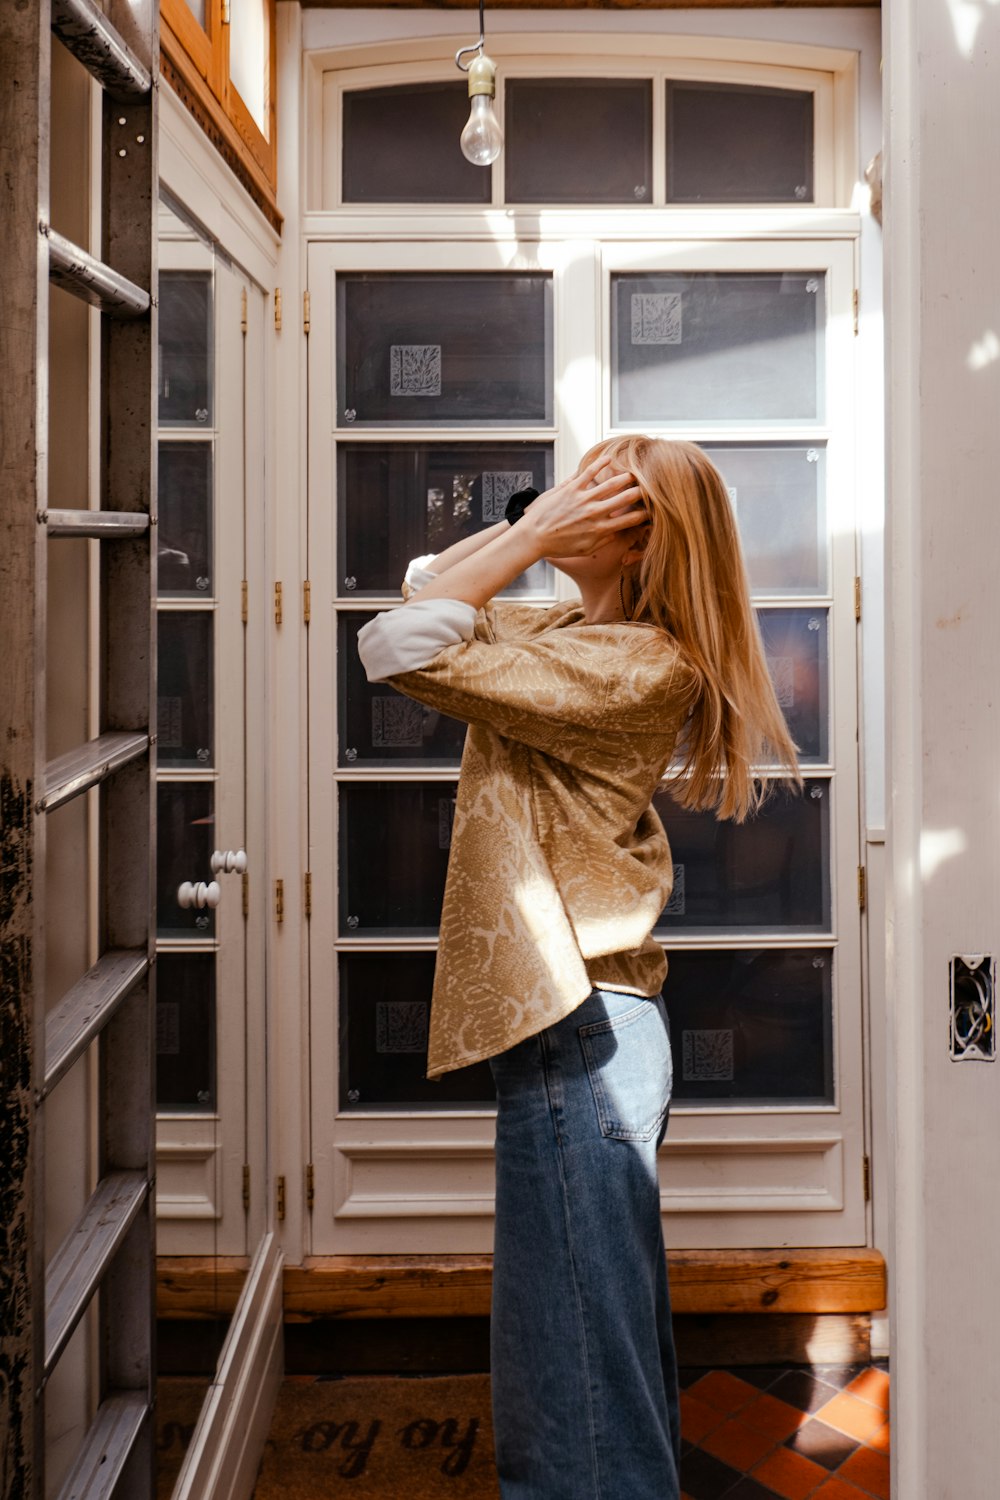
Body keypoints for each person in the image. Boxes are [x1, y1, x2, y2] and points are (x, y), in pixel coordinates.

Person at [357, 436, 801, 1500]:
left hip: (583, 1031)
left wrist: (532, 535)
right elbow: (428, 589)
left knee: (578, 1386)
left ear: (639, 535)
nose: (565, 504)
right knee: (587, 1351)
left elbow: (398, 643)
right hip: (581, 1027)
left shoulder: (637, 661)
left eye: (597, 492)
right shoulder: (566, 628)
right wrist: (539, 526)